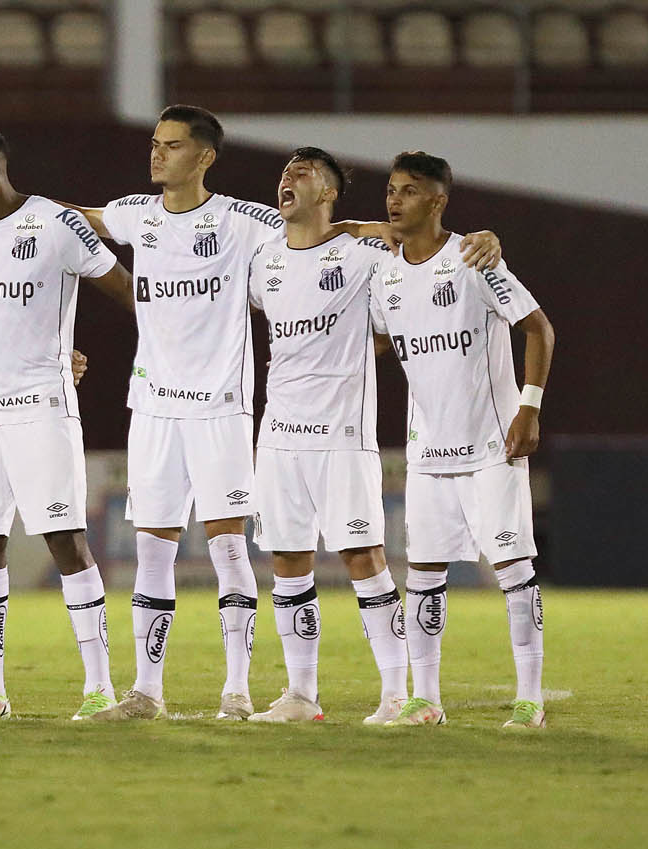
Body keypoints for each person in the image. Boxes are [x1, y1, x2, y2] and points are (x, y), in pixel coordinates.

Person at [62, 105, 501, 722]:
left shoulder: (268, 231)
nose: (157, 153)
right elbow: (73, 221)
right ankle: (204, 692)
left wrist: (473, 238)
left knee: (347, 557)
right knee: (255, 559)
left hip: (272, 420)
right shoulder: (252, 258)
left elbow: (394, 246)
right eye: (154, 143)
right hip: (229, 424)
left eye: (172, 144)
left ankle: (354, 694)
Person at [0, 123, 136, 720]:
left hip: (39, 408)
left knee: (67, 542)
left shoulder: (56, 223)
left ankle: (98, 687)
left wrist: (62, 353)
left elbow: (126, 290)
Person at [369, 152, 555, 730]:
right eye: (392, 189)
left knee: (514, 572)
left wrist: (529, 407)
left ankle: (530, 699)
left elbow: (538, 329)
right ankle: (425, 700)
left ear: (438, 200)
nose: (395, 200)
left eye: (410, 191)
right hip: (427, 452)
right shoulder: (387, 275)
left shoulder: (475, 257)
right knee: (423, 574)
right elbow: (378, 344)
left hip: (491, 446)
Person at [244, 147, 407, 724]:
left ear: (330, 192)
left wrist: (352, 358)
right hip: (279, 434)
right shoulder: (264, 260)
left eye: (302, 173)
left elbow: (400, 321)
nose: (287, 179)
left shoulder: (366, 255)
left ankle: (396, 694)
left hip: (341, 435)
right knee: (288, 558)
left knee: (363, 555)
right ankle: (300, 695)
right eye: (284, 171)